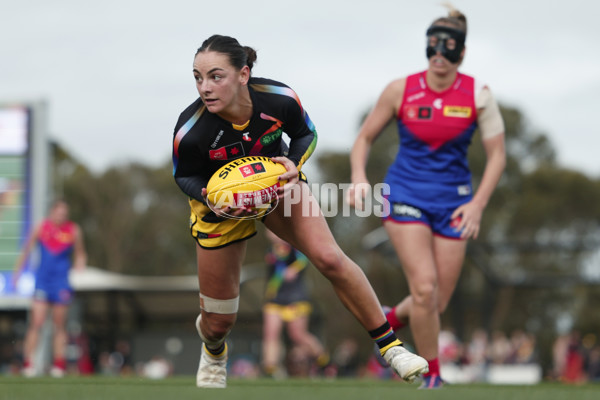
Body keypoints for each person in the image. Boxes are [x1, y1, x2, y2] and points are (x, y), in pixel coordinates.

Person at [172, 34, 428, 388]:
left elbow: (306, 134)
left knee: (330, 258)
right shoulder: (191, 130)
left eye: (216, 76)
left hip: (278, 187)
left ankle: (391, 347)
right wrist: (207, 195)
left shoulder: (279, 99)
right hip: (221, 209)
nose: (205, 87)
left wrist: (293, 163)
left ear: (243, 74)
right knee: (218, 324)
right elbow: (183, 174)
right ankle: (214, 351)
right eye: (198, 77)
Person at [347, 5, 506, 389]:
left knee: (434, 303)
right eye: (432, 45)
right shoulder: (400, 88)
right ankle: (431, 376)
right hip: (403, 195)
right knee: (424, 288)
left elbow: (498, 155)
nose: (439, 53)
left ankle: (389, 319)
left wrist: (477, 204)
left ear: (461, 52)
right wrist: (358, 177)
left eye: (448, 47)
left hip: (454, 202)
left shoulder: (479, 95)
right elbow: (365, 137)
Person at [12, 199, 87, 377]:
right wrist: (17, 273)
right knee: (36, 323)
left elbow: (80, 253)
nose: (62, 216)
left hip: (61, 283)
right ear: (52, 212)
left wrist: (80, 264)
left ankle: (59, 365)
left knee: (59, 325)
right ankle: (29, 364)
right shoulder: (42, 227)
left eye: (65, 213)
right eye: (59, 212)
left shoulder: (73, 230)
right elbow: (26, 250)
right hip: (43, 281)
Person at [261, 229, 330, 378]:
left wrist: (292, 270)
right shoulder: (270, 251)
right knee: (270, 334)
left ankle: (323, 361)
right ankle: (270, 369)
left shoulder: (294, 248)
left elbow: (305, 258)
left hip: (295, 298)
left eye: (273, 230)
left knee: (298, 335)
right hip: (274, 299)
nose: (270, 233)